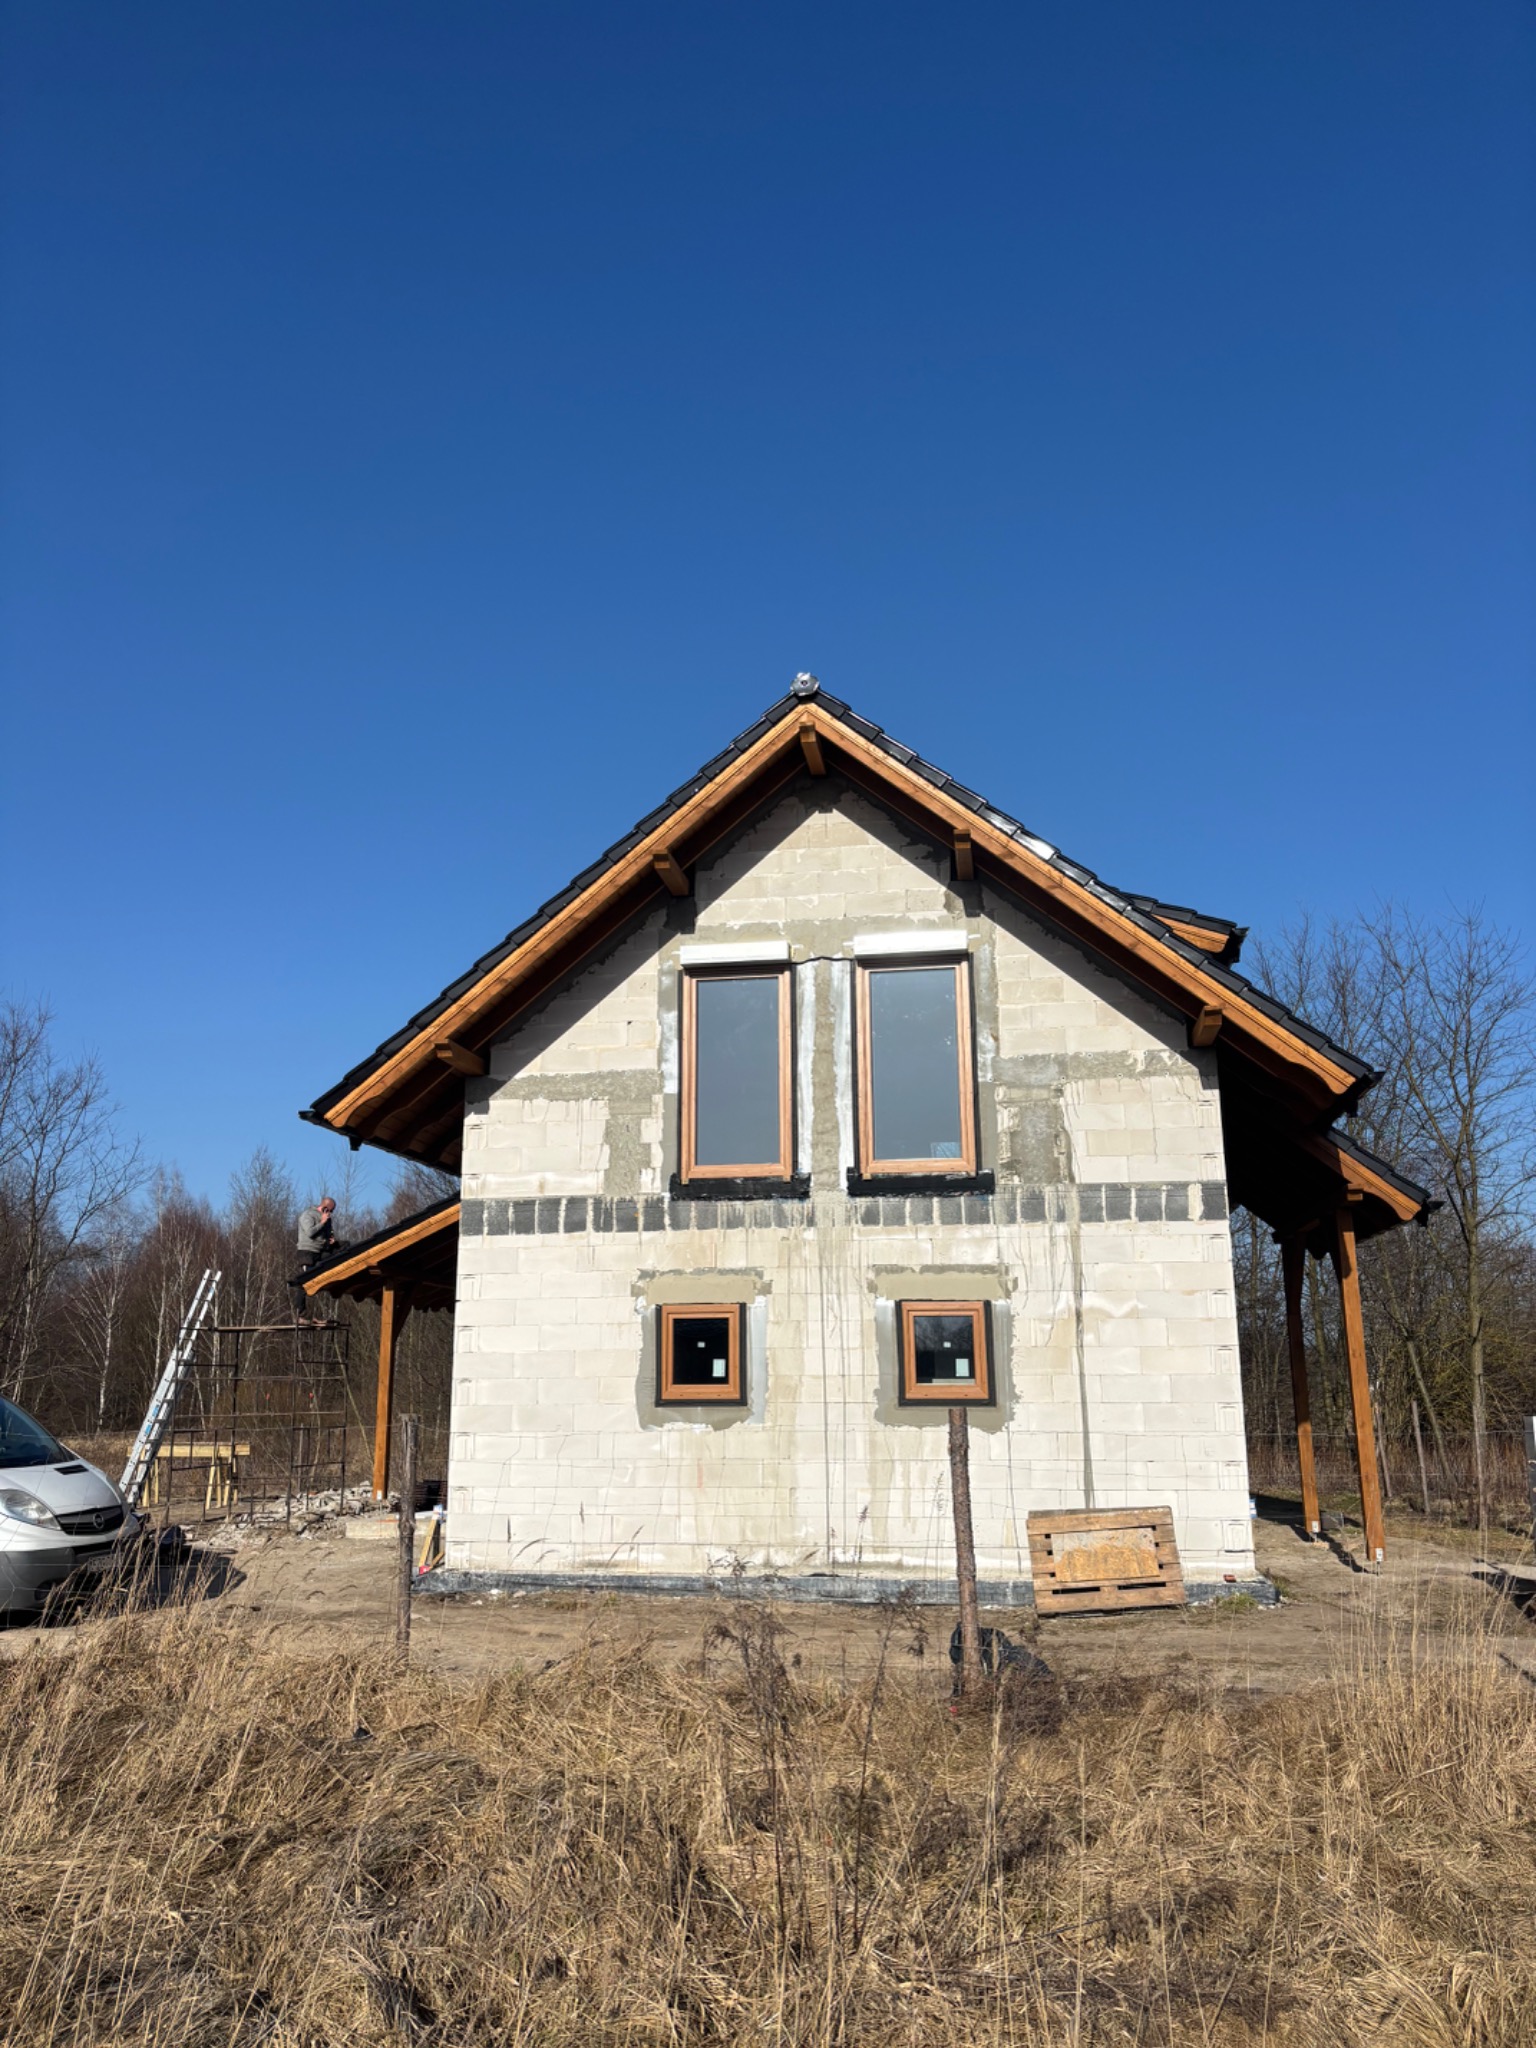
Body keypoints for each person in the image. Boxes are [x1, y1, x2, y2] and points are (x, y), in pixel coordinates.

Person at [289, 1196, 341, 1326]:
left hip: (321, 1252)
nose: (330, 1213)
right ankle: (300, 1315)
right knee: (305, 1282)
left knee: (343, 1248)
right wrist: (322, 1222)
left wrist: (331, 1241)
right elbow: (310, 1232)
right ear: (324, 1208)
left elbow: (328, 1235)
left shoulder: (328, 1219)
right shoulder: (308, 1215)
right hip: (307, 1252)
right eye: (330, 1210)